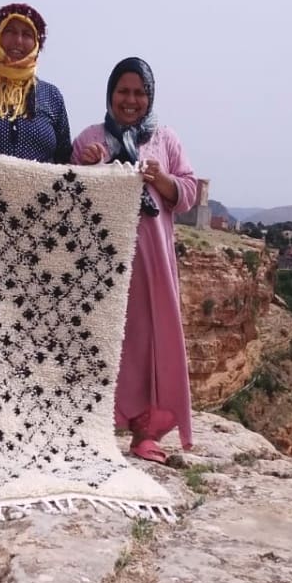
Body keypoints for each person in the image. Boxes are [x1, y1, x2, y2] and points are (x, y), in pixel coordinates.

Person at [73, 57, 197, 461]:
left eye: (139, 92)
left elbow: (189, 192)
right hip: (100, 261)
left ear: (150, 96)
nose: (130, 100)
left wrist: (162, 180)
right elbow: (68, 194)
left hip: (150, 262)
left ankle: (147, 431)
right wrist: (86, 167)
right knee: (97, 337)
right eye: (123, 92)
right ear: (110, 94)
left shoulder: (166, 139)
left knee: (149, 341)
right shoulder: (90, 137)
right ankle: (92, 425)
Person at [0, 3, 71, 162]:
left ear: (37, 43)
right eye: (10, 31)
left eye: (27, 34)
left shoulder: (51, 95)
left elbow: (64, 159)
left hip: (40, 187)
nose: (18, 41)